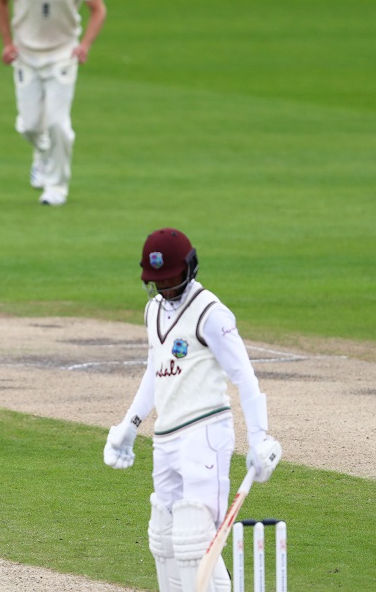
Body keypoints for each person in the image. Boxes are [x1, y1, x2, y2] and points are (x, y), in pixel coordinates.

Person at [103, 228, 282, 592]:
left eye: (170, 278)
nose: (165, 288)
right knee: (164, 535)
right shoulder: (152, 310)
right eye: (158, 281)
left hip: (205, 433)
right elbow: (156, 371)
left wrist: (259, 437)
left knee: (194, 536)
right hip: (165, 436)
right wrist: (130, 424)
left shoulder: (211, 313)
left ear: (189, 269)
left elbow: (244, 376)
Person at [0, 0, 107, 206]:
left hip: (62, 54)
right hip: (26, 54)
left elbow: (98, 9)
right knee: (30, 126)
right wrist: (7, 43)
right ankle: (42, 154)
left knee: (58, 124)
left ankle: (56, 187)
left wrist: (84, 45)